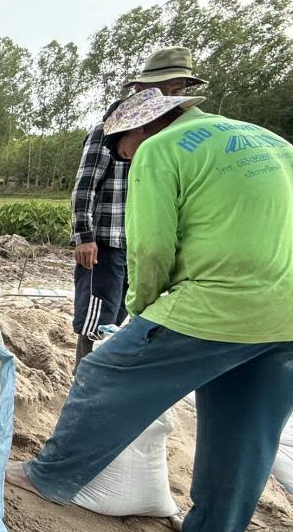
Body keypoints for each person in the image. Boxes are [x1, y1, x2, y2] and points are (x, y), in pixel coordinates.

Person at [13, 87, 293, 532]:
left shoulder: (159, 148)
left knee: (108, 371)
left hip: (230, 298)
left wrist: (143, 312)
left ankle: (48, 478)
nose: (123, 159)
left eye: (121, 149)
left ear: (141, 128)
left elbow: (149, 248)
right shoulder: (270, 140)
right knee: (246, 425)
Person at [70, 47, 205, 366]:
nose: (172, 98)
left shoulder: (172, 138)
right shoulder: (110, 130)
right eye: (167, 89)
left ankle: (108, 370)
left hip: (137, 241)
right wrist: (84, 236)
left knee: (121, 312)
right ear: (142, 90)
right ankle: (85, 372)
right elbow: (85, 185)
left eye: (178, 91)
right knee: (95, 313)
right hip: (106, 239)